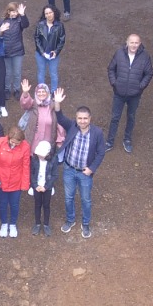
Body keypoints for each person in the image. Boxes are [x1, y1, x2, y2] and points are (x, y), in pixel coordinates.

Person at [53, 87, 106, 238]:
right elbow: (60, 116)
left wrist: (92, 168)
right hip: (69, 169)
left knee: (85, 199)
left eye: (85, 118)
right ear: (76, 119)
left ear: (90, 119)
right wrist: (57, 103)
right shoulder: (72, 127)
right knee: (68, 197)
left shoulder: (97, 133)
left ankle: (86, 223)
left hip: (85, 172)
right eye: (79, 118)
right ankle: (70, 220)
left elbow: (101, 152)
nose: (82, 121)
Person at [106, 33, 153, 154]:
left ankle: (127, 139)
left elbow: (149, 73)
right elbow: (111, 68)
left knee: (131, 117)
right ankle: (109, 141)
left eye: (136, 42)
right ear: (127, 43)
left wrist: (140, 87)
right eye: (131, 42)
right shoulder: (119, 53)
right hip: (119, 92)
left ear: (140, 44)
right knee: (115, 117)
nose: (134, 45)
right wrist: (114, 83)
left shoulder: (145, 56)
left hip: (134, 94)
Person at [0, 125, 31, 238]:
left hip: (16, 181)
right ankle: (4, 223)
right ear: (8, 138)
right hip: (0, 180)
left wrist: (25, 183)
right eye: (13, 142)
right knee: (2, 203)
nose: (14, 145)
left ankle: (12, 224)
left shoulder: (25, 146)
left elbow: (26, 166)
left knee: (14, 204)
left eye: (17, 143)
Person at [18, 79, 61, 156]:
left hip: (47, 142)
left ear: (47, 93)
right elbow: (25, 104)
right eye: (39, 92)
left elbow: (59, 121)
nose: (41, 94)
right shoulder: (33, 104)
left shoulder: (52, 106)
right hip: (33, 141)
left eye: (43, 92)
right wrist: (25, 93)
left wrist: (59, 140)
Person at [26, 139, 58, 236]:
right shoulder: (35, 159)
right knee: (37, 205)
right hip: (37, 186)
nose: (40, 156)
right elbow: (31, 173)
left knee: (46, 205)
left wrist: (46, 186)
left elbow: (54, 175)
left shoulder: (53, 159)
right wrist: (35, 185)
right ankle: (37, 223)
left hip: (47, 187)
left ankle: (46, 224)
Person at [0, 2, 30, 93]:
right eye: (13, 12)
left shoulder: (19, 20)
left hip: (17, 51)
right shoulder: (2, 21)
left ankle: (17, 89)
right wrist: (1, 31)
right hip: (6, 51)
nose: (15, 13)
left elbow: (26, 25)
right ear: (8, 11)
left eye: (16, 12)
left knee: (17, 72)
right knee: (7, 73)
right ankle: (7, 89)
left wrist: (23, 14)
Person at [33, 7, 65, 90]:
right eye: (46, 13)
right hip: (41, 54)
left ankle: (53, 91)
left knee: (53, 73)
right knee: (41, 72)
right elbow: (36, 38)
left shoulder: (60, 25)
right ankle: (41, 91)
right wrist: (42, 52)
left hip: (53, 54)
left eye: (50, 12)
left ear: (54, 13)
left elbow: (62, 40)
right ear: (44, 15)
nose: (49, 15)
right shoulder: (40, 25)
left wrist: (56, 51)